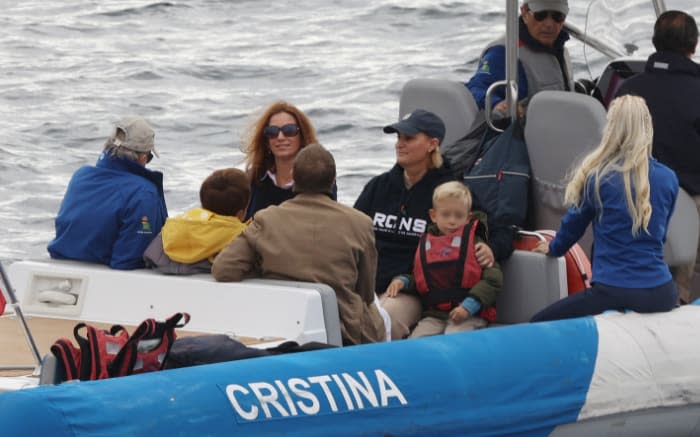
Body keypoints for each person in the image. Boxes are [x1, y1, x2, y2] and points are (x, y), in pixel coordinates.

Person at [212, 144, 385, 345]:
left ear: (293, 175)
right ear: (333, 180)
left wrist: (264, 271)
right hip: (343, 330)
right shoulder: (360, 223)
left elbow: (224, 269)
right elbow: (365, 291)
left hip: (278, 324)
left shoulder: (267, 219)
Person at [530, 95, 679, 322]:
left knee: (537, 323)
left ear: (611, 129)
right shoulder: (669, 178)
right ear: (647, 127)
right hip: (662, 293)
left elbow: (573, 227)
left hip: (612, 292)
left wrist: (553, 248)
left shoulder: (599, 178)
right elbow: (660, 233)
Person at [354, 109, 497, 340]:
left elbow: (497, 228)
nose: (400, 144)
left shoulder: (450, 190)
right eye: (398, 138)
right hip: (369, 284)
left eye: (408, 138)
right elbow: (351, 232)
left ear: (432, 144)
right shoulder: (378, 186)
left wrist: (491, 248)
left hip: (414, 290)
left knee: (383, 317)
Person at [615, 10, 700, 305]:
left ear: (654, 43)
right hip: (686, 198)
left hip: (632, 195)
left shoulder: (626, 90)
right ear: (693, 46)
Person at [48, 116, 167, 270]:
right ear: (143, 157)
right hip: (111, 280)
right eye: (149, 157)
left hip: (60, 263)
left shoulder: (80, 175)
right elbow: (129, 259)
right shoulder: (143, 193)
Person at [385, 182, 503, 338]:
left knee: (453, 338)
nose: (452, 221)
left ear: (468, 218)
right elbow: (421, 279)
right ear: (433, 216)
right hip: (435, 315)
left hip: (470, 314)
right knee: (415, 342)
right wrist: (403, 281)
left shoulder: (476, 244)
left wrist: (469, 306)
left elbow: (493, 279)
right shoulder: (426, 243)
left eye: (459, 216)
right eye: (445, 215)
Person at [466, 0, 573, 117]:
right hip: (527, 132)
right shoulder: (503, 52)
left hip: (563, 125)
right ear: (525, 13)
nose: (549, 24)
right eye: (540, 15)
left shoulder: (560, 49)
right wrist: (496, 104)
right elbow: (475, 88)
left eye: (557, 17)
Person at [241, 100, 336, 220]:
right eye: (272, 132)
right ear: (266, 140)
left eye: (289, 130)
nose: (280, 137)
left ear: (302, 136)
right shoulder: (252, 179)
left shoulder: (319, 178)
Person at [144, 168, 249, 274]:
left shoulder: (172, 228)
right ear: (241, 213)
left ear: (203, 206)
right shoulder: (242, 237)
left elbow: (150, 255)